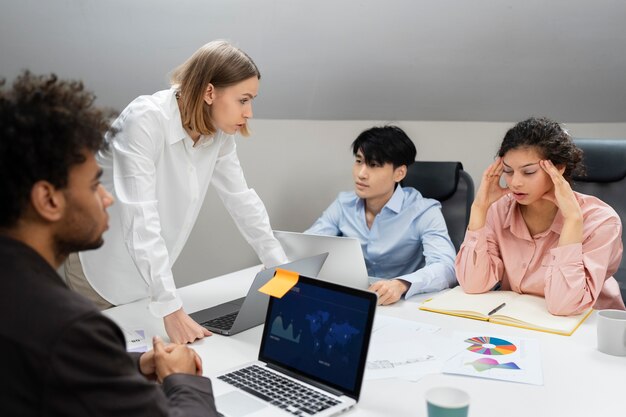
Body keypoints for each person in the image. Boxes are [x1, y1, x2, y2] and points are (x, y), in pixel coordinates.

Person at [0, 72, 218, 416]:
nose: (107, 199)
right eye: (94, 185)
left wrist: (132, 365)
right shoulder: (71, 329)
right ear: (48, 199)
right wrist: (182, 379)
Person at [68, 40, 288, 344]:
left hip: (149, 280)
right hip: (100, 272)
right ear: (209, 92)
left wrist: (279, 265)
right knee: (93, 370)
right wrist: (171, 309)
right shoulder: (145, 119)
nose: (249, 112)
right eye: (244, 99)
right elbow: (140, 217)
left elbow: (241, 199)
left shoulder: (219, 136)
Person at [456, 117, 625, 315]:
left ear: (559, 168)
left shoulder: (601, 221)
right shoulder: (499, 210)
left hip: (589, 328)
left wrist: (572, 221)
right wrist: (479, 208)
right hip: (523, 323)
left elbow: (565, 306)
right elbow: (472, 284)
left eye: (528, 172)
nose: (515, 182)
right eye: (508, 171)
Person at [306, 126, 457, 305]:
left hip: (403, 304)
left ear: (399, 173)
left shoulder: (424, 211)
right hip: (357, 300)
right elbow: (308, 244)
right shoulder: (343, 204)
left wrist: (401, 284)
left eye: (374, 165)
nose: (361, 174)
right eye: (359, 161)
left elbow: (447, 267)